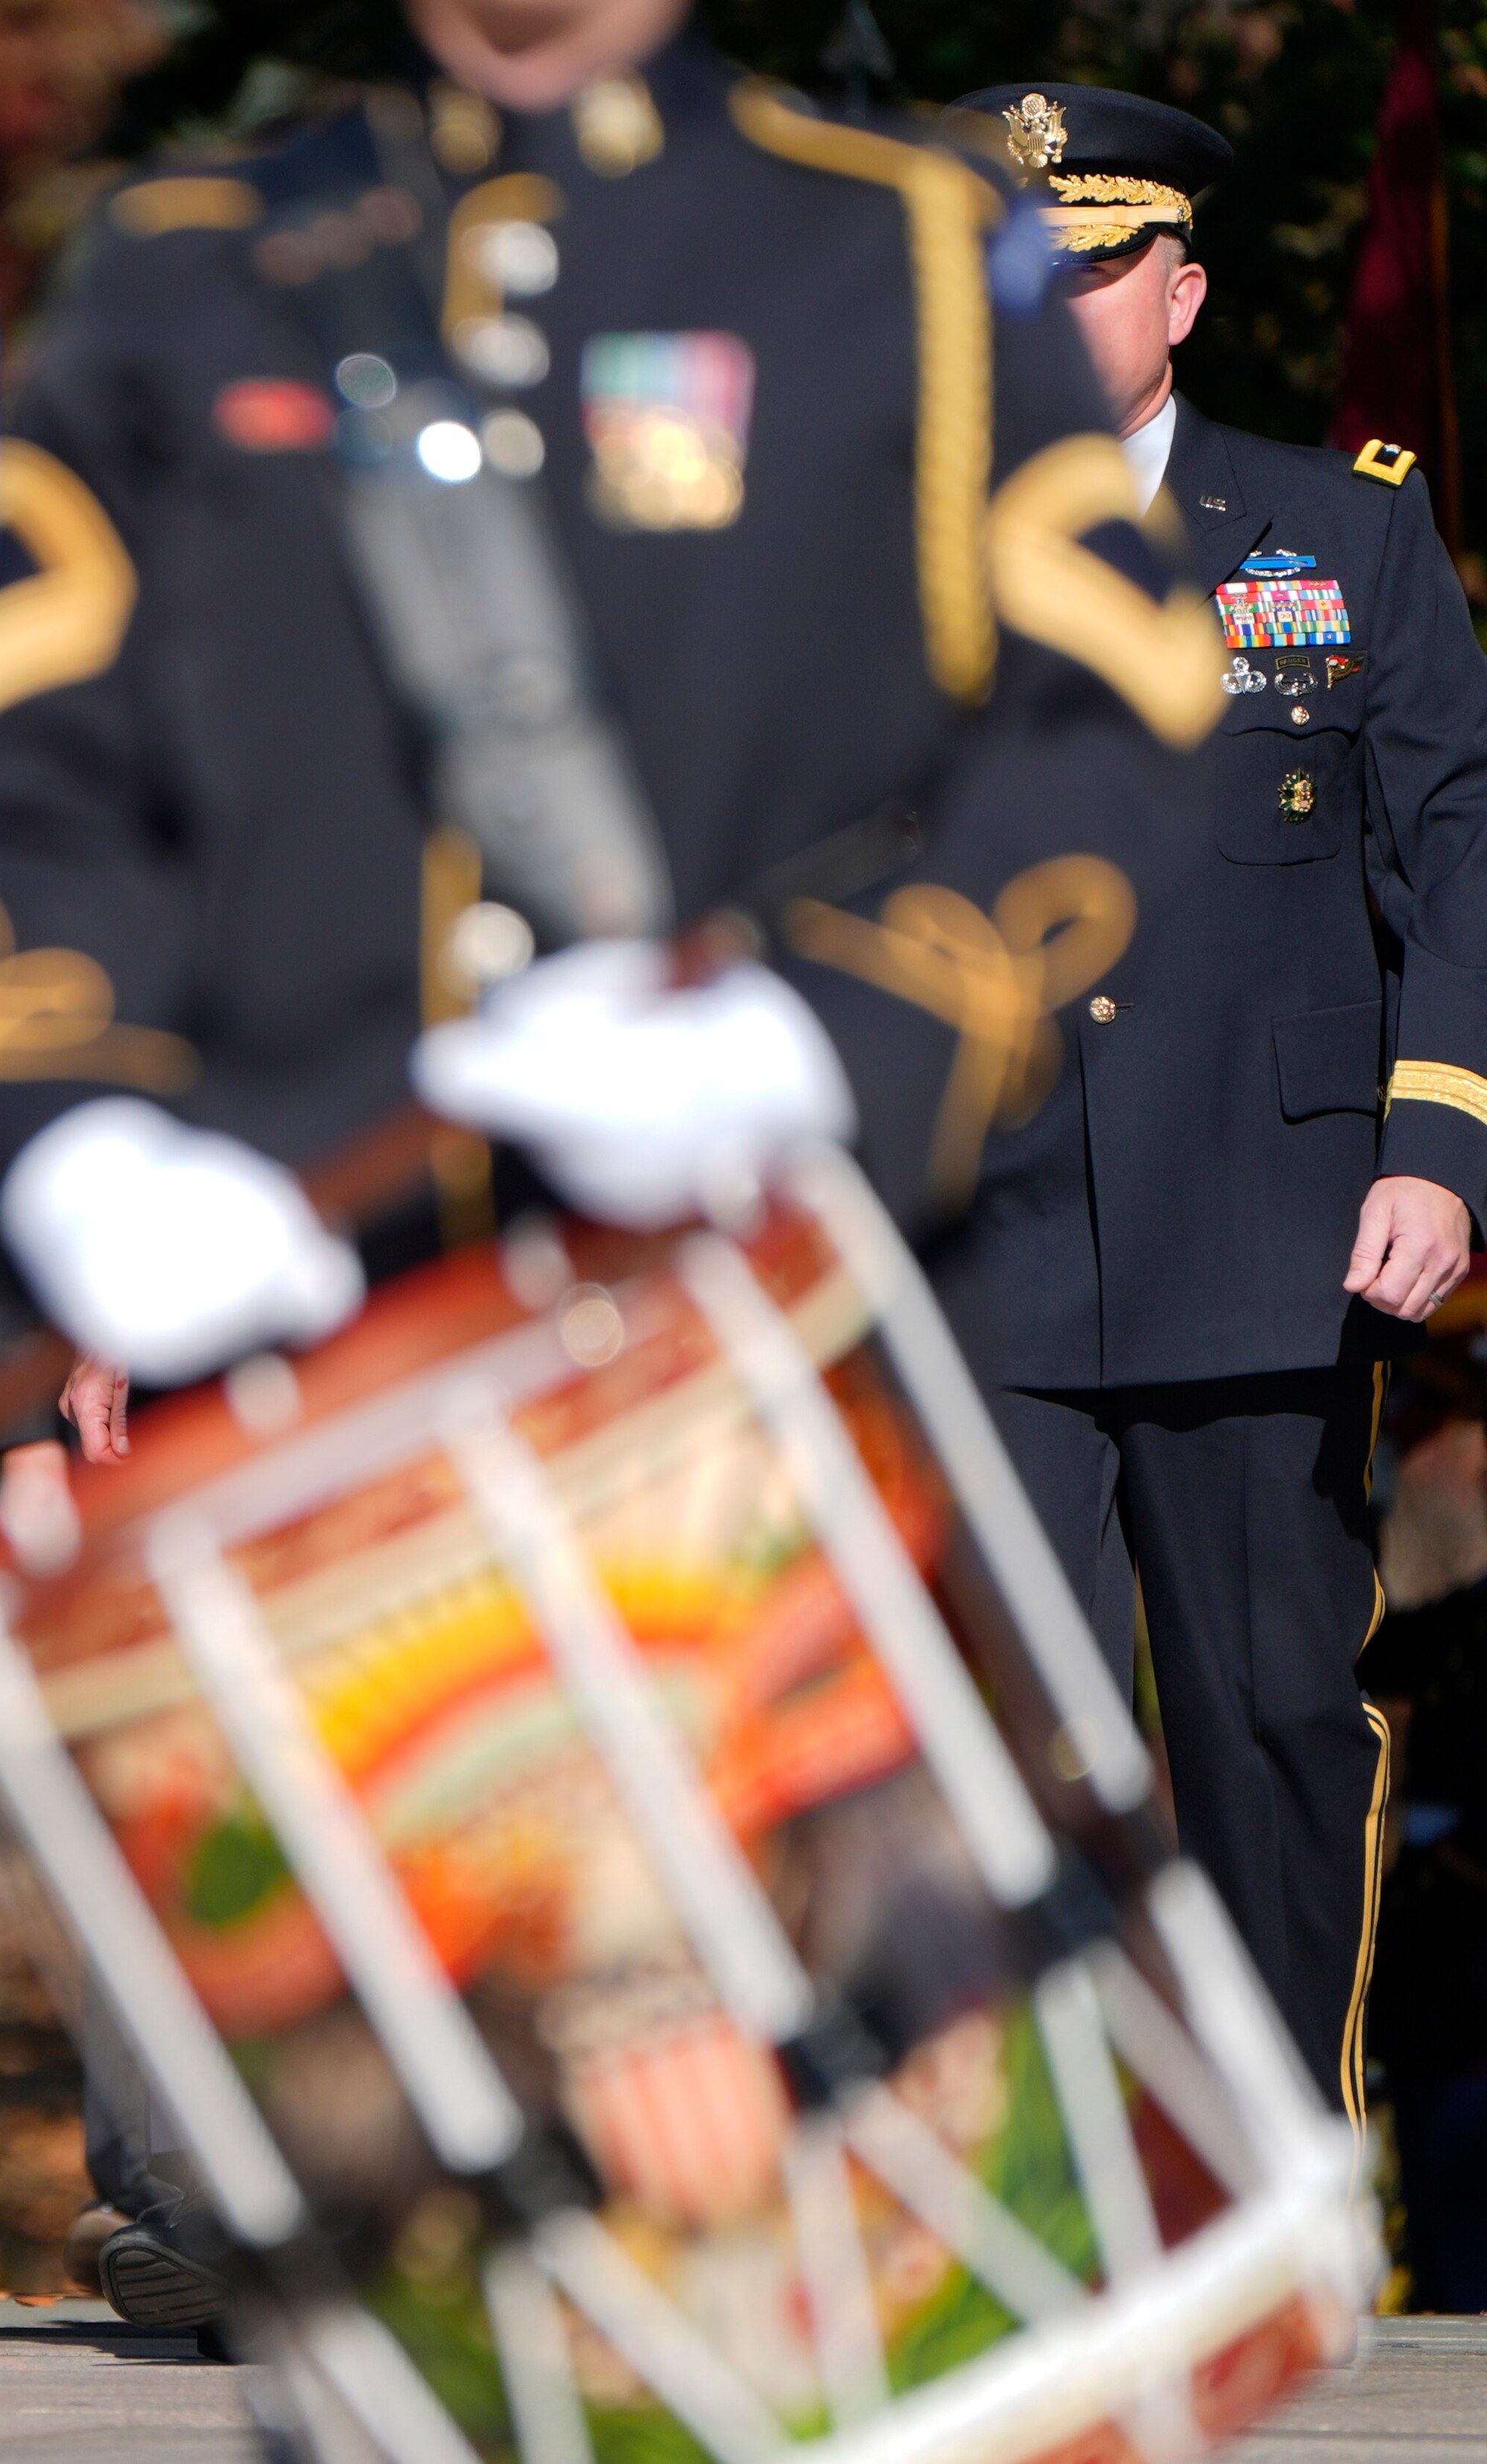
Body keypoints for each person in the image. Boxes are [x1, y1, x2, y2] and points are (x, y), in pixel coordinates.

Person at [0, 0, 1214, 2322]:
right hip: (311, 1344)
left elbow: (1105, 705)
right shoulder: (194, 264)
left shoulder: (898, 257)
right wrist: (84, 1129)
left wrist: (832, 1044)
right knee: (391, 2172)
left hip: (749, 1330)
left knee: (789, 2158)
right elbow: (36, 749)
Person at [936, 81, 1487, 2117]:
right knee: (1007, 1729)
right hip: (977, 1227)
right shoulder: (877, 542)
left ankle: (1271, 2166)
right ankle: (1061, 2176)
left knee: (1264, 1711)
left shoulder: (1338, 526)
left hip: (1267, 1220)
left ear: (1176, 289)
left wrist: (1440, 1144)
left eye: (1080, 274)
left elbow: (1458, 849)